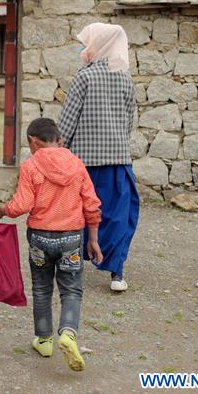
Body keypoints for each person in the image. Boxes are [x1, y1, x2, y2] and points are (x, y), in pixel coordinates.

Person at [0, 118, 103, 372]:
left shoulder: (31, 166)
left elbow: (21, 205)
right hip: (71, 237)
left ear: (32, 141)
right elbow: (91, 204)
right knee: (71, 290)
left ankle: (44, 340)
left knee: (41, 288)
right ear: (58, 139)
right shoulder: (77, 164)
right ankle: (68, 334)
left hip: (39, 237)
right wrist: (93, 240)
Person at [57, 22, 139, 292]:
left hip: (85, 164)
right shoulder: (125, 78)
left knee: (79, 215)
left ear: (97, 45)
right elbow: (129, 122)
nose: (84, 47)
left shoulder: (85, 77)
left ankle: (73, 265)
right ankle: (117, 273)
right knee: (116, 216)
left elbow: (68, 121)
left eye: (87, 42)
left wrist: (58, 151)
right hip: (117, 160)